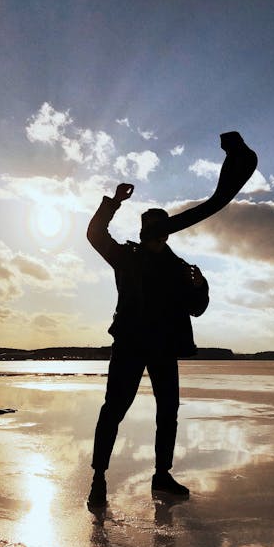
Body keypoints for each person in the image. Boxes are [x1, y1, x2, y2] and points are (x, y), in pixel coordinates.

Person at [86, 183, 209, 506]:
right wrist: (112, 203)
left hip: (164, 348)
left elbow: (196, 308)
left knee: (168, 412)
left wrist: (201, 286)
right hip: (130, 343)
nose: (155, 235)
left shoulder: (179, 267)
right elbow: (95, 235)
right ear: (143, 232)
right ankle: (99, 477)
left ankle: (162, 475)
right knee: (114, 409)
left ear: (166, 233)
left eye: (159, 229)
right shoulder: (127, 257)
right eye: (150, 229)